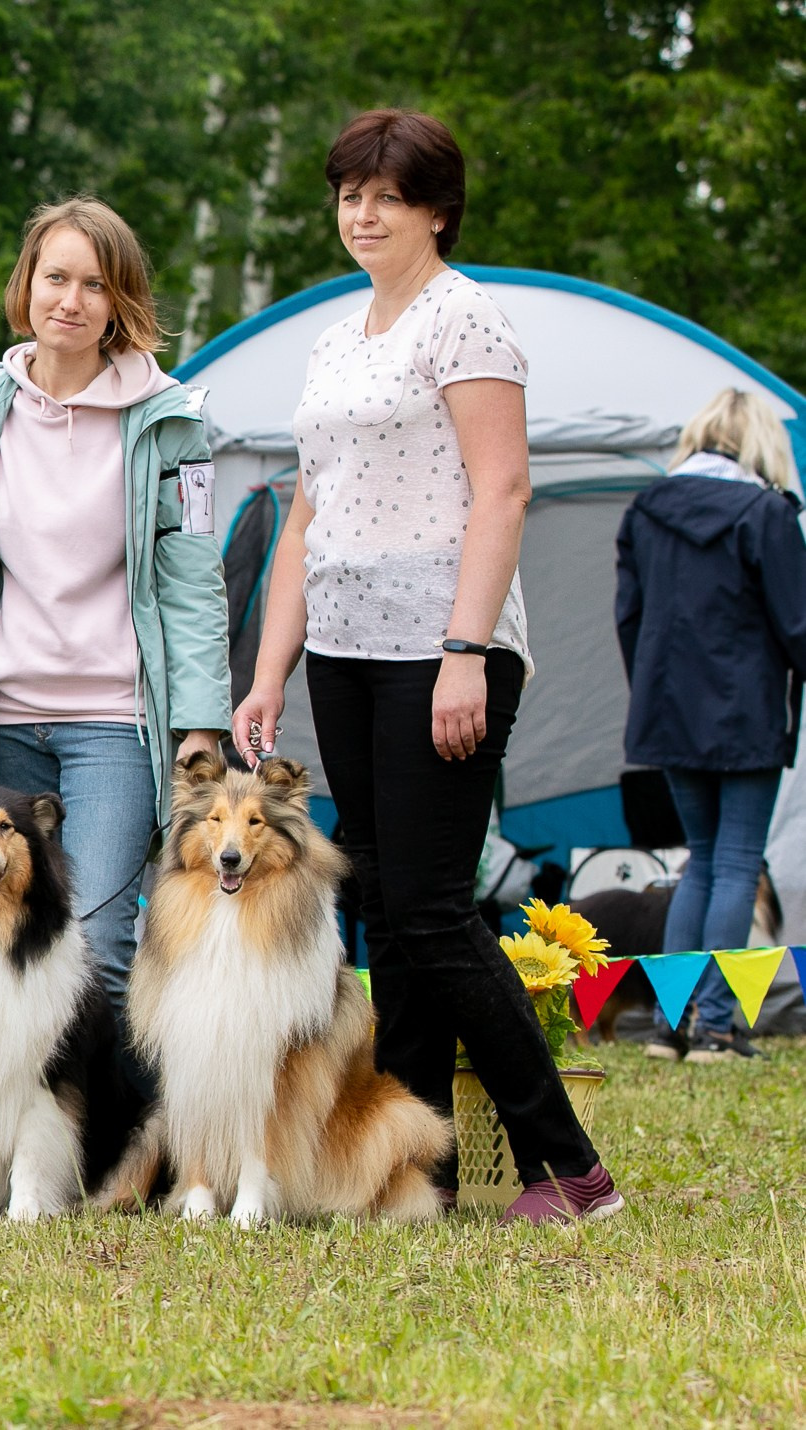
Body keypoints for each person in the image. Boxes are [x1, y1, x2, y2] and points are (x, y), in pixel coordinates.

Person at [233, 110, 621, 1223]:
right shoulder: (333, 337)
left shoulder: (468, 323)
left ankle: (571, 1168)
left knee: (434, 908)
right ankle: (417, 1169)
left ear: (434, 210)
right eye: (349, 192)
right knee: (390, 917)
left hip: (442, 650)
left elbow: (502, 492)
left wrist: (465, 649)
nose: (362, 212)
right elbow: (304, 515)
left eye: (386, 195)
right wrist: (269, 673)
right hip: (344, 652)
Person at [0, 197, 229, 1030]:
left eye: (96, 284)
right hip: (2, 722)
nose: (72, 299)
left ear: (120, 302)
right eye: (56, 277)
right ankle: (15, 1160)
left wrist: (201, 721)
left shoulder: (173, 422)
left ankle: (111, 1157)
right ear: (27, 285)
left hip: (116, 725)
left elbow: (194, 583)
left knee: (97, 943)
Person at [616, 388, 806, 1064]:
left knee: (700, 860)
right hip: (746, 711)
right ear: (761, 445)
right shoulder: (768, 512)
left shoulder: (646, 510)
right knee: (735, 862)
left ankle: (673, 1025)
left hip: (666, 710)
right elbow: (797, 624)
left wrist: (655, 695)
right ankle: (719, 1029)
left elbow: (629, 620)